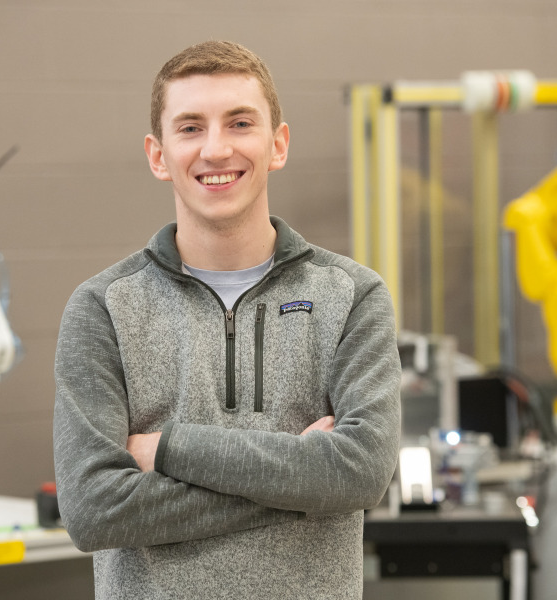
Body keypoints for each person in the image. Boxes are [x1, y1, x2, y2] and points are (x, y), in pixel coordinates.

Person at [53, 40, 401, 599]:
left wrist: (167, 449)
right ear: (158, 155)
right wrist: (303, 486)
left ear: (277, 144)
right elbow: (93, 512)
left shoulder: (352, 296)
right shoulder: (104, 308)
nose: (216, 149)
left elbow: (360, 473)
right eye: (190, 128)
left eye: (240, 123)